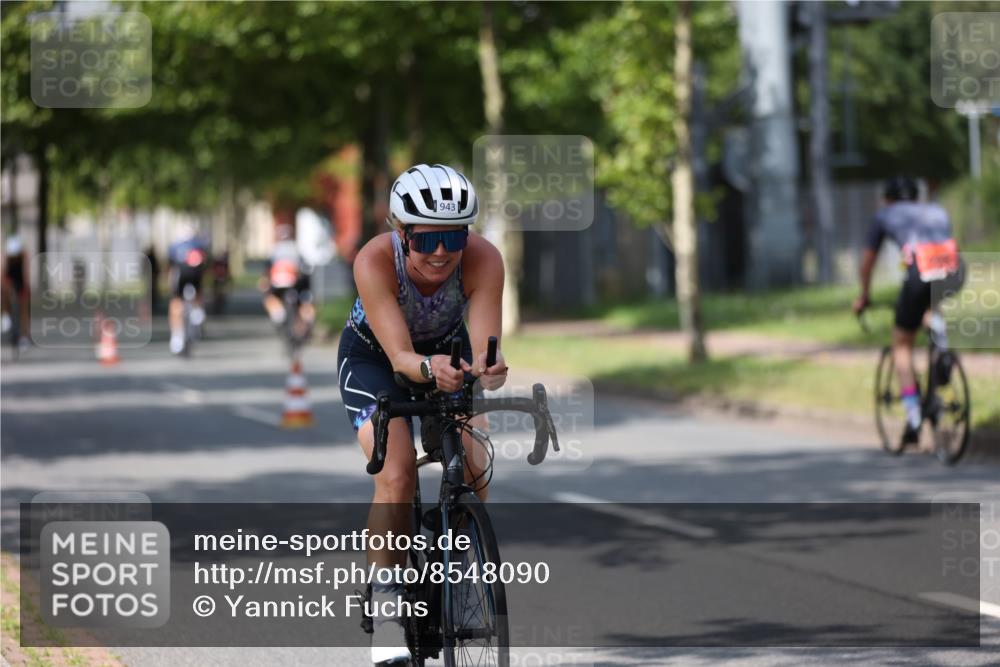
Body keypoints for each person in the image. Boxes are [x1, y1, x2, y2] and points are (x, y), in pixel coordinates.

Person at [337, 164, 508, 664]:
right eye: (427, 238)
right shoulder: (374, 260)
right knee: (397, 473)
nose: (441, 252)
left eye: (453, 236)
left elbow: (483, 351)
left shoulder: (483, 260)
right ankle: (388, 602)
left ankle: (457, 566)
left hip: (446, 355)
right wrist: (427, 368)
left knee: (476, 462)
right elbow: (400, 359)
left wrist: (490, 368)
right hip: (378, 360)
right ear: (401, 232)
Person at [853, 176, 964, 445]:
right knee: (930, 306)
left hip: (919, 271)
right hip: (955, 268)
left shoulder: (884, 215)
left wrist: (864, 296)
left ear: (888, 198)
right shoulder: (936, 210)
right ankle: (941, 341)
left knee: (902, 343)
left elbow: (867, 263)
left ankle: (913, 416)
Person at [259, 224, 316, 343]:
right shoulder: (296, 250)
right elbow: (306, 269)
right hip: (294, 284)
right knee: (305, 300)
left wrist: (264, 283)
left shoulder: (274, 250)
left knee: (269, 297)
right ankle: (305, 321)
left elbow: (266, 271)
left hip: (281, 284)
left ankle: (278, 316)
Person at [166, 223, 209, 354]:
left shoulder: (174, 246)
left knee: (176, 302)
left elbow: (170, 267)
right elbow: (205, 264)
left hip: (181, 275)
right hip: (196, 275)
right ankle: (198, 311)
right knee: (198, 291)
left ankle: (177, 337)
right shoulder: (199, 244)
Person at [1, 234, 31, 351]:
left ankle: (24, 336)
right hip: (9, 279)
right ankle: (5, 315)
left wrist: (25, 289)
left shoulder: (24, 256)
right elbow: (2, 275)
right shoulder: (5, 257)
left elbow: (26, 274)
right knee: (4, 293)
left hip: (20, 279)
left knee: (24, 308)